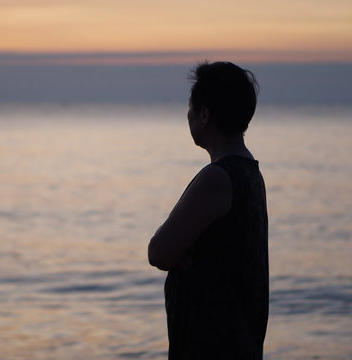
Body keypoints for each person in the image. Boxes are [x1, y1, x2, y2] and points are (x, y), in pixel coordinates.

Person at [148, 61, 268, 359]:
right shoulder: (249, 172)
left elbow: (159, 252)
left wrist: (181, 251)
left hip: (213, 344)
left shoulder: (217, 177)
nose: (187, 115)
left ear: (204, 115)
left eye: (191, 107)